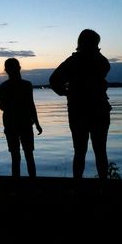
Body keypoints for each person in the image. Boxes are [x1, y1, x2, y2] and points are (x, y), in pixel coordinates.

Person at [49, 29, 111, 180]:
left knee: (80, 151)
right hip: (98, 110)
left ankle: (78, 185)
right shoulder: (99, 61)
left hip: (79, 111)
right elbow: (105, 67)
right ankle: (103, 185)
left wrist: (66, 92)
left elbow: (54, 81)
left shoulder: (73, 61)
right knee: (100, 150)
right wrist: (66, 92)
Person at [0, 58, 43, 178]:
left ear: (6, 70)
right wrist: (37, 123)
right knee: (27, 155)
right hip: (21, 123)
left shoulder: (4, 87)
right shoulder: (26, 85)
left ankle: (18, 186)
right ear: (19, 68)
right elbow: (30, 105)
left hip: (15, 123)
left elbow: (2, 107)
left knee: (17, 156)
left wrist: (37, 123)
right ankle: (30, 184)